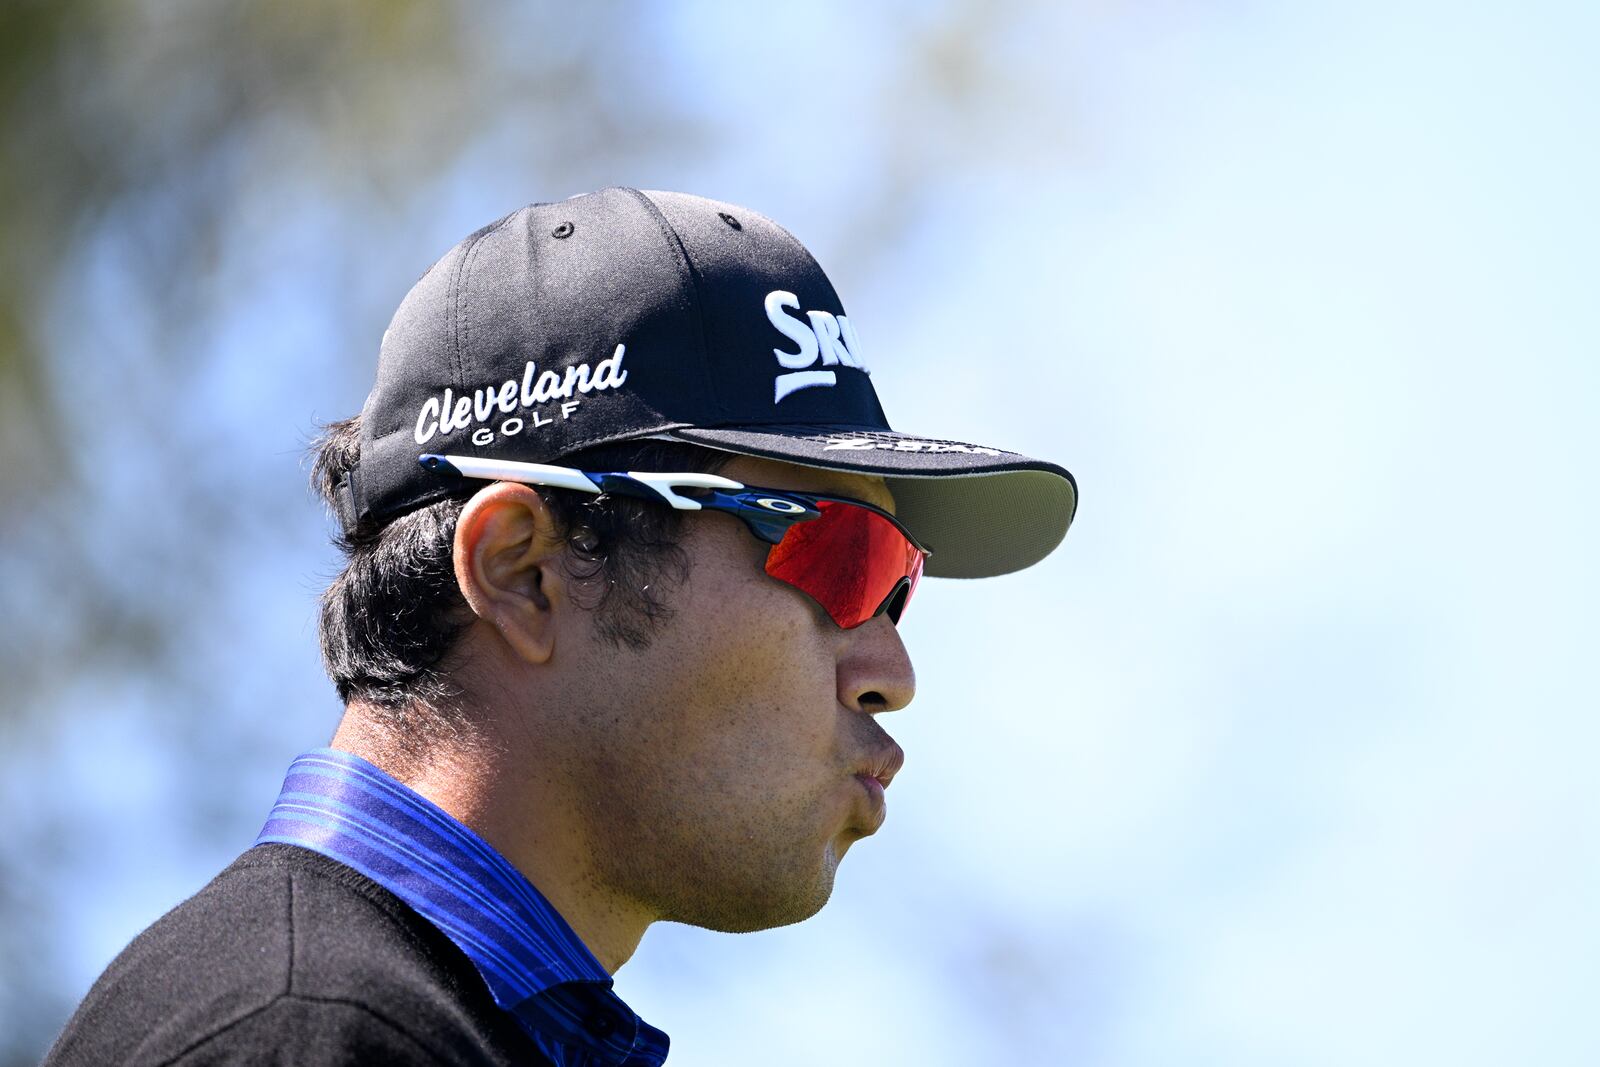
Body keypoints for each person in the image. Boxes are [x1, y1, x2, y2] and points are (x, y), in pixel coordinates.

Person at [43, 188, 1078, 1066]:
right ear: (524, 571)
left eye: (898, 583)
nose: (891, 670)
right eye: (838, 556)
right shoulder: (304, 1036)